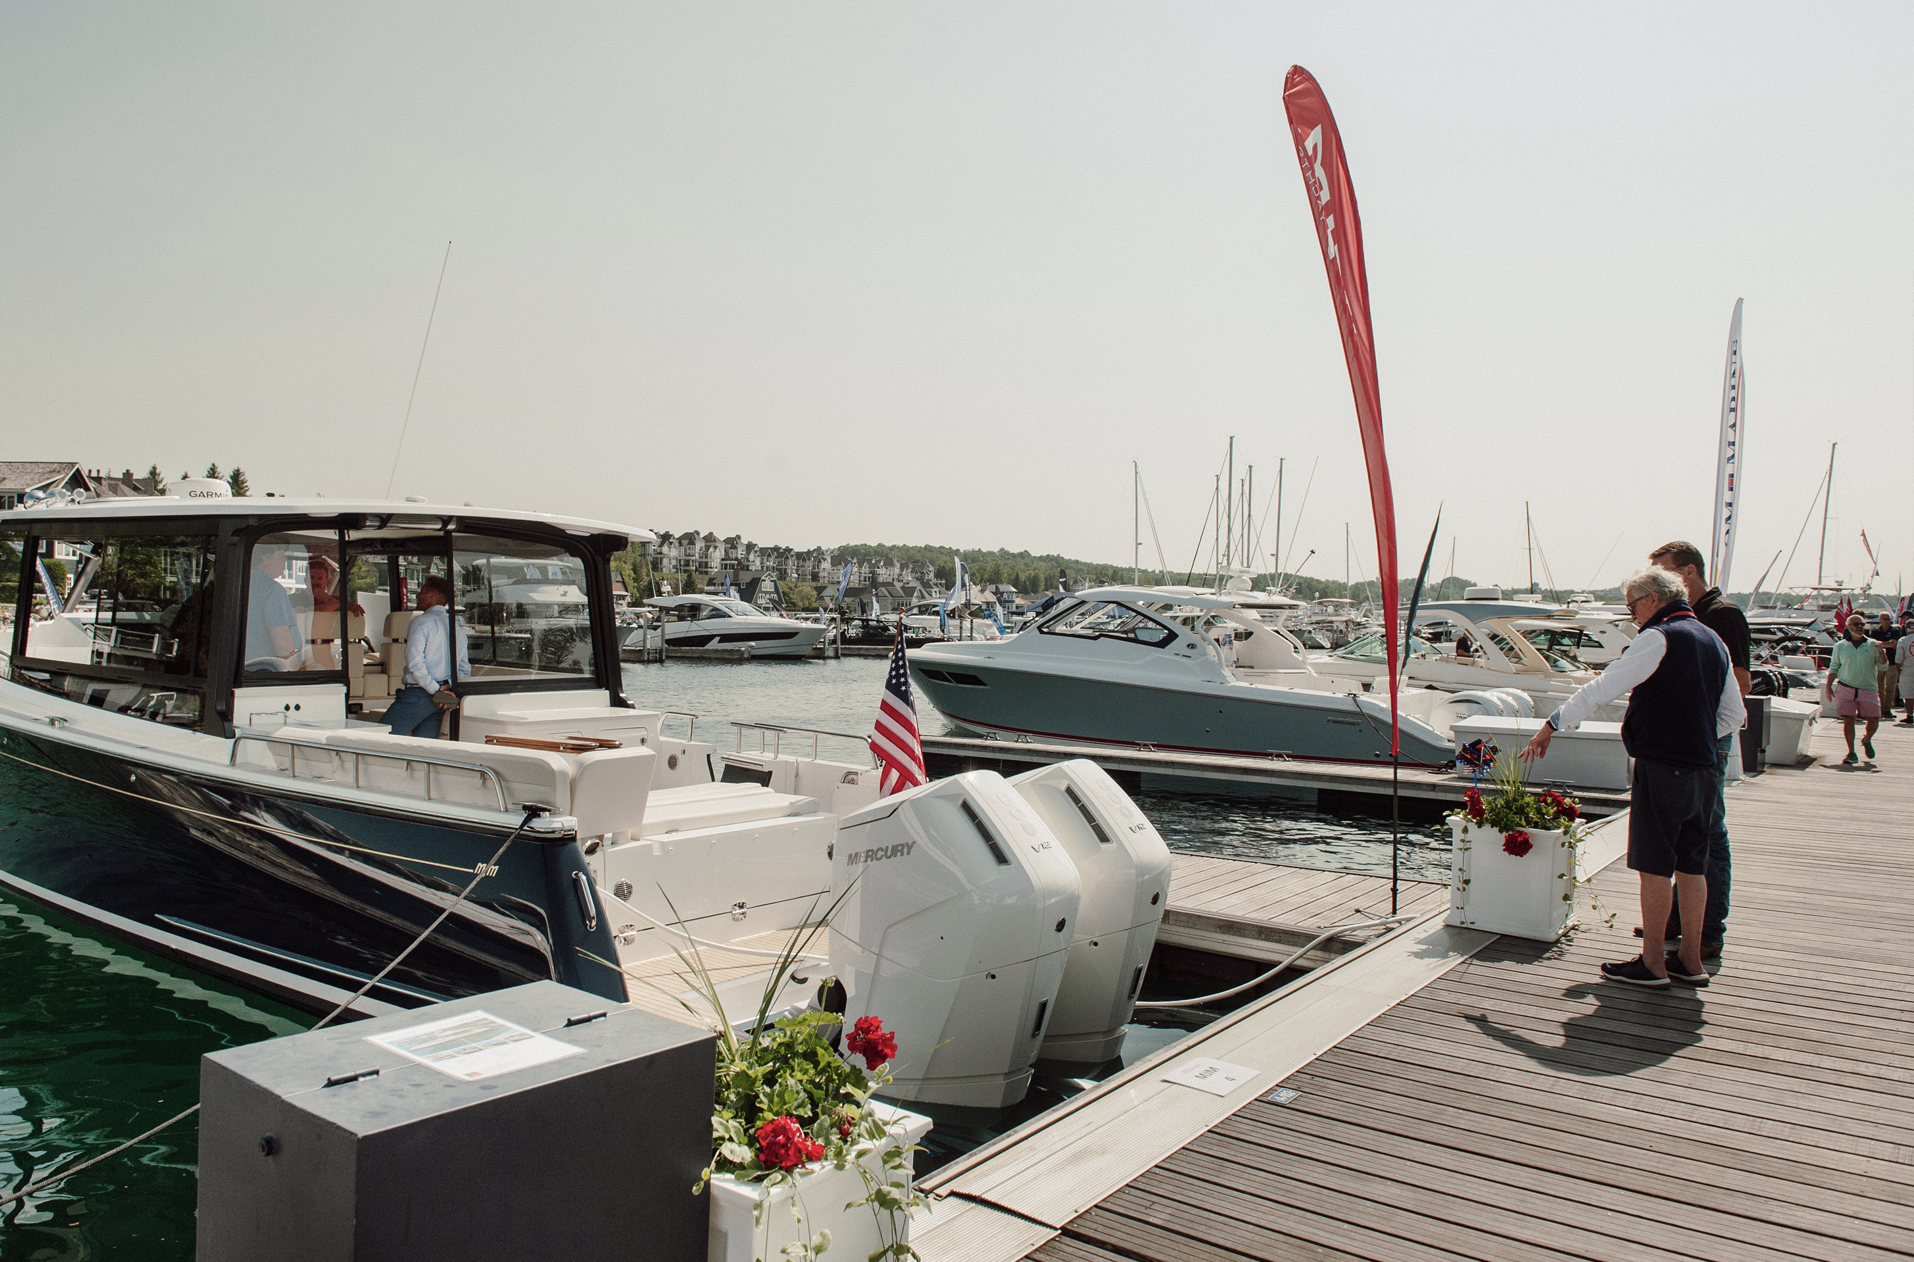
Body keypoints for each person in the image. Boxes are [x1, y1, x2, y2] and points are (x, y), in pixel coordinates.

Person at [1521, 568, 1744, 988]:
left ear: (1654, 599)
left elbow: (1602, 688)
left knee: (1655, 865)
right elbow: (1734, 715)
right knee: (1693, 866)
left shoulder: (1659, 637)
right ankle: (1691, 961)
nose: (1632, 616)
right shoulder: (1713, 640)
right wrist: (1696, 735)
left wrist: (1551, 724)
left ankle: (1654, 963)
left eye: (1632, 607)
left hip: (1662, 767)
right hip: (1702, 769)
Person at [1647, 540, 1750, 961]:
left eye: (1664, 571)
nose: (1658, 579)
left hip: (1708, 740)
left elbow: (1740, 682)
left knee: (1708, 833)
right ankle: (1677, 919)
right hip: (1687, 742)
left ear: (1688, 572)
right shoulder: (1682, 615)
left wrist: (1701, 728)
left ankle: (1708, 930)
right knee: (1684, 832)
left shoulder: (1723, 615)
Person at [382, 575, 471, 739]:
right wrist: (446, 688)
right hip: (440, 702)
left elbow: (415, 663)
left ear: (432, 596)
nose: (417, 595)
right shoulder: (457, 629)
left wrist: (435, 690)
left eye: (422, 592)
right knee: (424, 750)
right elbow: (464, 669)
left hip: (419, 695)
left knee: (376, 740)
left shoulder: (421, 622)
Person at [1830, 613, 1883, 764]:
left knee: (1874, 720)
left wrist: (1881, 652)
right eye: (1856, 624)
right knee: (1849, 719)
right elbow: (1834, 667)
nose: (1860, 627)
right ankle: (1851, 752)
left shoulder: (1873, 644)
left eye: (1862, 624)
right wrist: (1828, 686)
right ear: (1848, 627)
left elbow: (1883, 666)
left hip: (1868, 688)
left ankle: (1867, 740)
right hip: (1846, 687)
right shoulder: (1840, 646)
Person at [245, 541, 302, 670]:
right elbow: (281, 640)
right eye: (281, 555)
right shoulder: (272, 589)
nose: (285, 560)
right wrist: (296, 673)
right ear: (266, 559)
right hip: (267, 672)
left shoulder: (241, 582)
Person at [1871, 612, 1899, 707]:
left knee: (1891, 687)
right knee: (1879, 687)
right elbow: (1872, 644)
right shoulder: (1875, 631)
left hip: (1891, 662)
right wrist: (1886, 644)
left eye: (1888, 619)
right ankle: (1880, 706)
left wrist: (1880, 644)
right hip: (1879, 662)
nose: (1886, 621)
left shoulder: (1894, 631)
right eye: (1884, 619)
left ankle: (1887, 708)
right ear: (1880, 620)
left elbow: (1892, 644)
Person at [1898, 614, 1914, 726]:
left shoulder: (1903, 640)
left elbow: (1899, 658)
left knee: (1908, 695)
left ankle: (1910, 715)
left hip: (1907, 670)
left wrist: (1898, 670)